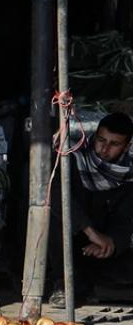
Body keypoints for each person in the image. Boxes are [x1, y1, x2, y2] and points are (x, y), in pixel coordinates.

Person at [49, 112, 133, 307]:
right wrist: (89, 231)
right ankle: (62, 284)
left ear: (127, 146)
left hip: (98, 246)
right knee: (54, 218)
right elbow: (56, 197)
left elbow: (124, 219)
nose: (104, 148)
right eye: (101, 140)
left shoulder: (128, 174)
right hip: (65, 242)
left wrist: (110, 242)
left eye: (114, 144)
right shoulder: (73, 159)